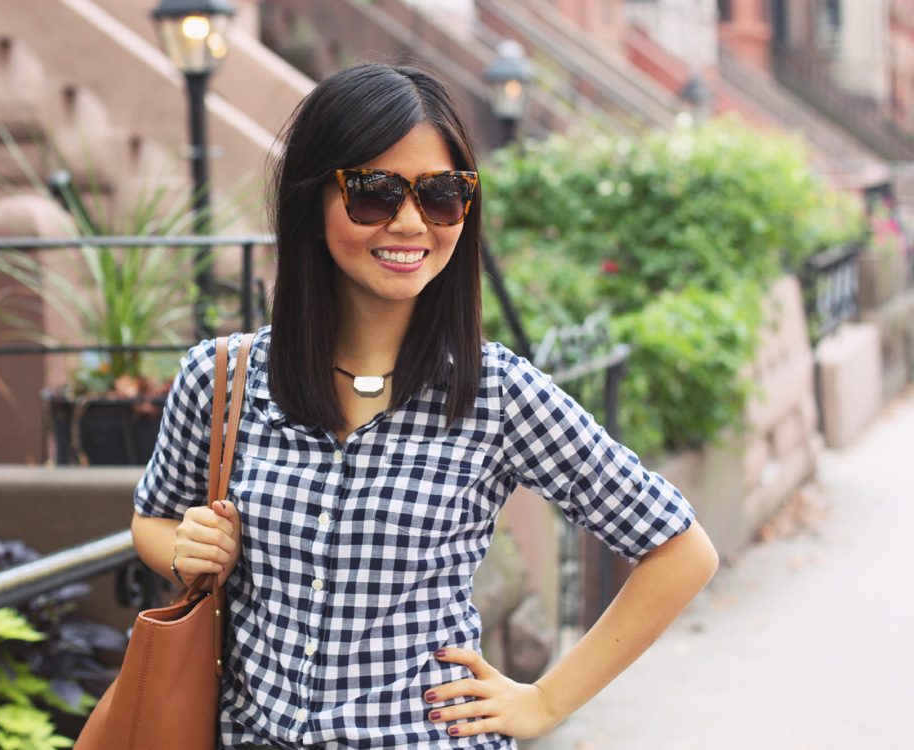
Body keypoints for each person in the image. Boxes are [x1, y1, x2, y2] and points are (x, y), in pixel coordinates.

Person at [131, 63, 719, 749]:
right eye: (375, 193)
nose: (410, 223)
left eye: (442, 195)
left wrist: (544, 702)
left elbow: (680, 550)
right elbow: (153, 519)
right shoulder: (221, 379)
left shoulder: (494, 393)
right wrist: (187, 548)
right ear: (312, 199)